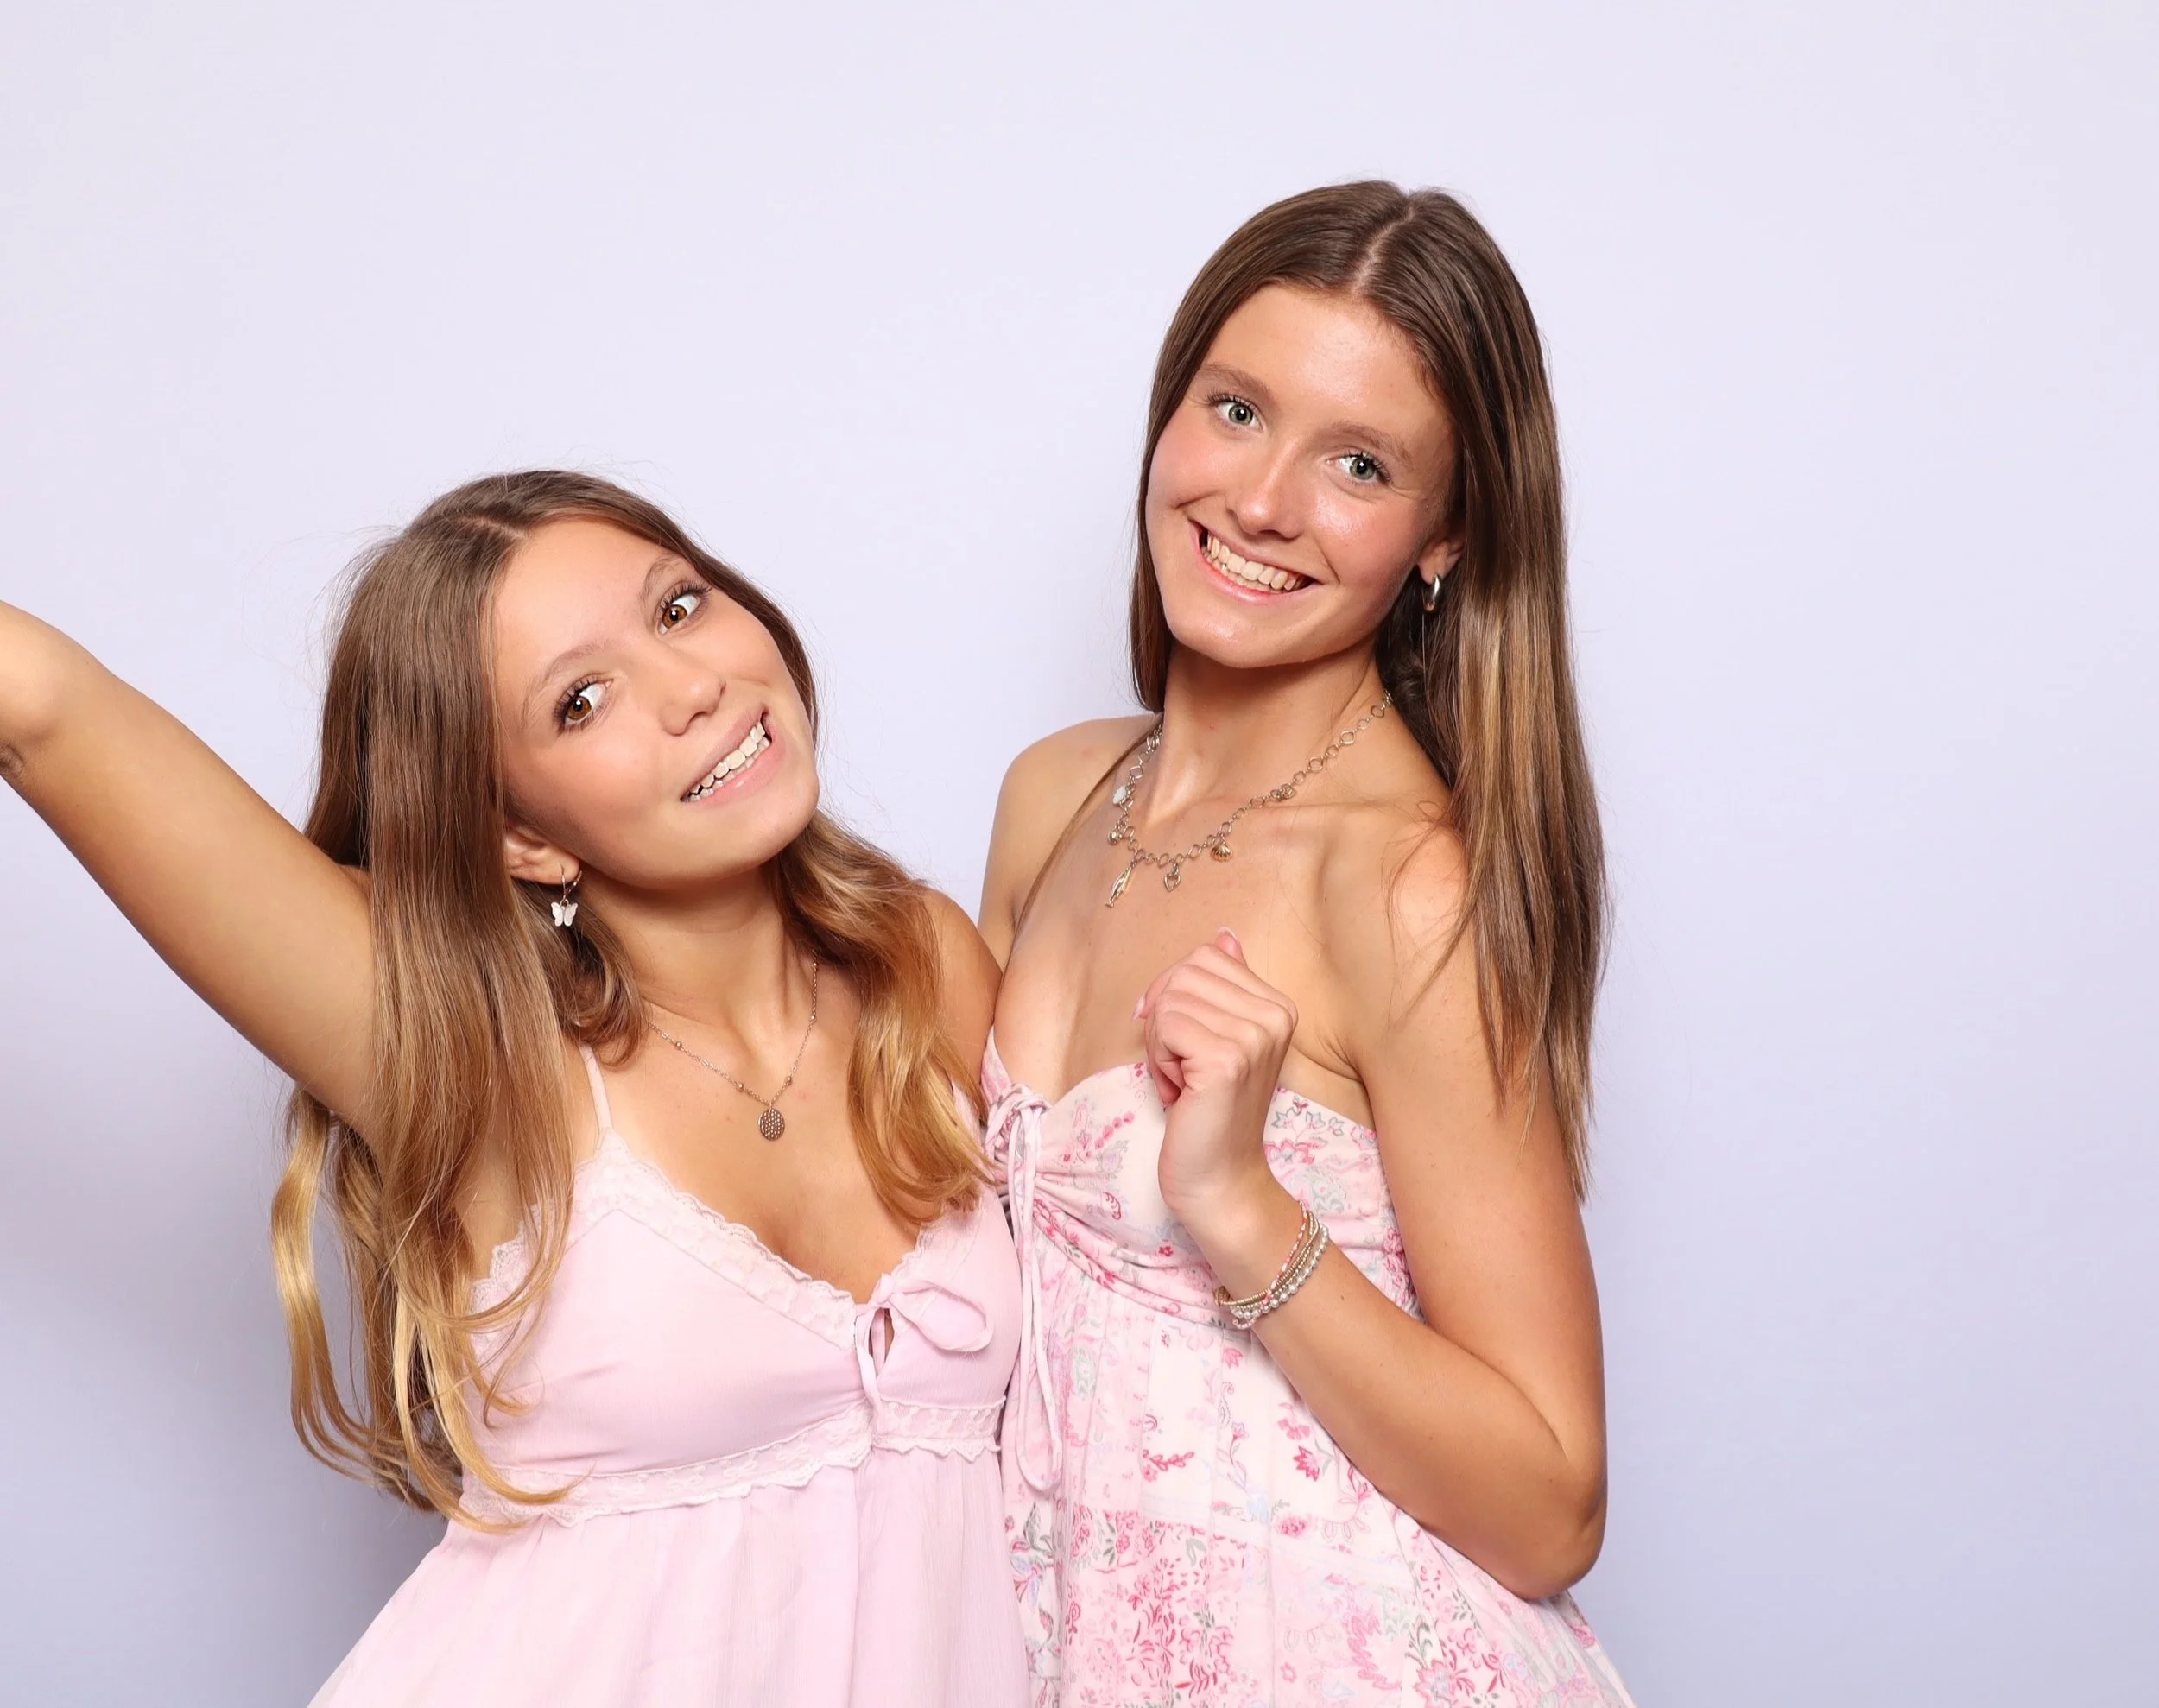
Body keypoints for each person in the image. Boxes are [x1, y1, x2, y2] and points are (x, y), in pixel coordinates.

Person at [0, 471, 1028, 1707]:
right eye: (582, 701)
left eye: (681, 606)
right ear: (521, 837)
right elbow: (41, 706)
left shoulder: (925, 964)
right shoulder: (477, 1059)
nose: (693, 686)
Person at [978, 184, 1636, 1705]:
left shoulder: (1410, 888)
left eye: (1359, 463)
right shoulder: (1054, 794)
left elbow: (1552, 1504)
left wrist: (1239, 1204)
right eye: (1235, 409)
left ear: (1444, 535)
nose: (1264, 500)